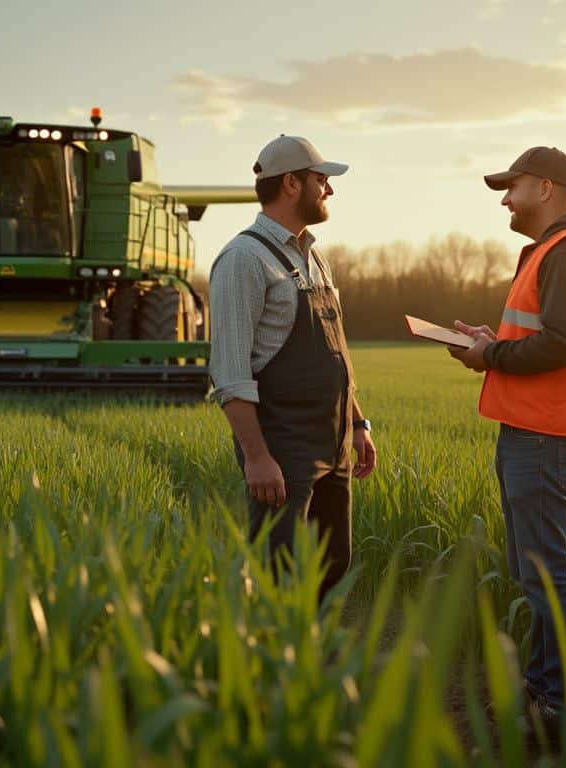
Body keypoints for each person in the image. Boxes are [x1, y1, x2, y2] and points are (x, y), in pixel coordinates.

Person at [447, 146, 566, 717]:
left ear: (545, 189)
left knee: (546, 571)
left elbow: (565, 344)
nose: (504, 198)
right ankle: (546, 687)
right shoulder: (553, 252)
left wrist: (489, 353)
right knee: (534, 569)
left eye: (512, 187)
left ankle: (560, 702)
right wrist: (490, 338)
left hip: (549, 434)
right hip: (535, 430)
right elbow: (546, 336)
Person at [209, 135, 377, 601]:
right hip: (282, 449)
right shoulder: (243, 259)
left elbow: (334, 350)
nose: (329, 190)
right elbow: (230, 373)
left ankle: (319, 666)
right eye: (321, 180)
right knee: (278, 573)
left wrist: (357, 423)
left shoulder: (314, 256)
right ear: (291, 183)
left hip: (335, 443)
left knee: (332, 565)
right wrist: (258, 456)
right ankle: (273, 667)